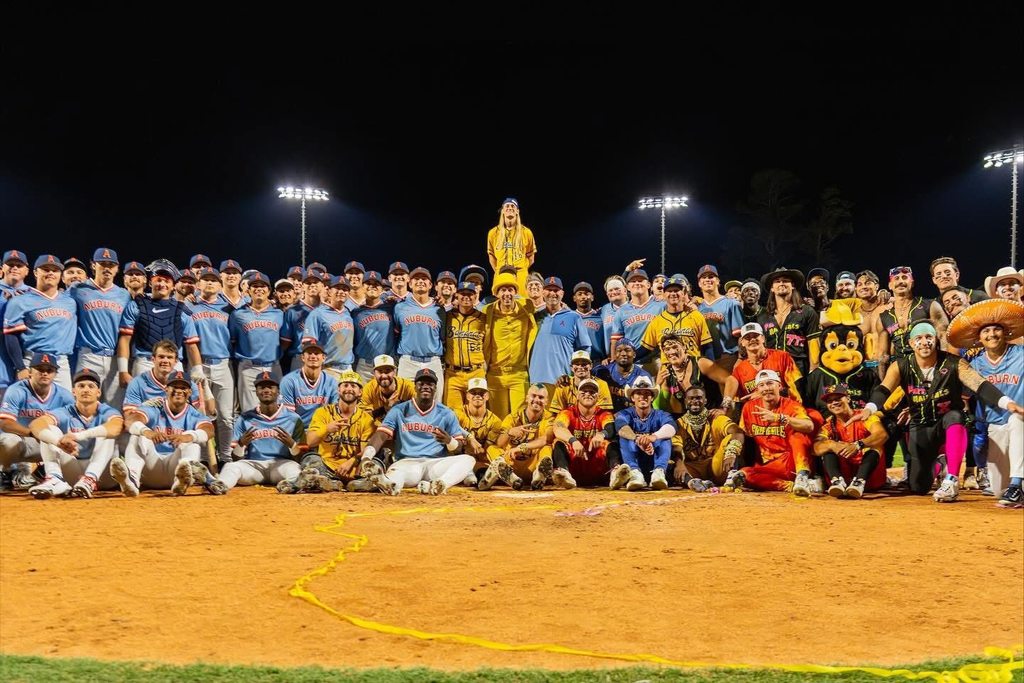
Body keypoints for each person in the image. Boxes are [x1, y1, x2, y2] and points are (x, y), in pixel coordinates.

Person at [854, 322, 1024, 502]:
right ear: (911, 344)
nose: (924, 342)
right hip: (921, 424)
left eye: (929, 337)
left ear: (935, 340)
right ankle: (938, 464)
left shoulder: (954, 362)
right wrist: (870, 407)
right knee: (919, 486)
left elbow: (979, 384)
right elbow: (884, 389)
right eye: (918, 338)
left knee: (956, 416)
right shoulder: (901, 365)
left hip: (948, 422)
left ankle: (951, 480)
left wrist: (1007, 403)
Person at [949, 298, 1024, 507]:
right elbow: (963, 392)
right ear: (978, 338)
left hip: (1019, 423)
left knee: (1018, 418)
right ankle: (1014, 487)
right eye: (986, 331)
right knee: (999, 489)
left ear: (1006, 332)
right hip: (994, 425)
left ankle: (1017, 485)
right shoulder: (975, 364)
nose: (992, 334)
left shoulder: (1021, 354)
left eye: (996, 329)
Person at [358, 368, 472, 496]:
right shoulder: (399, 410)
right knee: (397, 474)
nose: (425, 387)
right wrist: (366, 457)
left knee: (468, 460)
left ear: (435, 388)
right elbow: (381, 434)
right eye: (421, 384)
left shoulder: (447, 413)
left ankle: (440, 484)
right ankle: (389, 485)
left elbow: (460, 448)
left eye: (430, 384)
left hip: (435, 464)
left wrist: (450, 441)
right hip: (407, 463)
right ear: (415, 387)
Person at [26, 368, 123, 498]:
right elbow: (35, 425)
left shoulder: (107, 411)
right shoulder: (66, 411)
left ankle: (90, 479)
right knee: (50, 431)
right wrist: (58, 442)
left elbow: (116, 427)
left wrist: (78, 436)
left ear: (98, 392)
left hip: (105, 475)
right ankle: (54, 479)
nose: (86, 390)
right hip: (75, 473)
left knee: (107, 434)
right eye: (81, 386)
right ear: (73, 392)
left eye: (91, 386)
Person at [116, 371, 216, 496]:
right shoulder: (155, 406)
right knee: (138, 435)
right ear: (166, 389)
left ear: (190, 392)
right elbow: (130, 421)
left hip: (174, 470)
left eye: (183, 388)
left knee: (192, 441)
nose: (179, 391)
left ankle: (181, 481)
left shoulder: (193, 413)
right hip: (151, 468)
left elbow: (209, 430)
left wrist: (188, 436)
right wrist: (147, 432)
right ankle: (132, 481)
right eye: (175, 387)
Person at [279, 370, 376, 493]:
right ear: (338, 390)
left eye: (353, 386)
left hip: (354, 468)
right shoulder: (323, 413)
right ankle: (333, 483)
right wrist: (326, 429)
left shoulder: (366, 419)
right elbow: (309, 442)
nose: (349, 389)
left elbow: (365, 450)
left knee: (373, 460)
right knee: (310, 458)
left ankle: (333, 483)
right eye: (345, 385)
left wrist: (351, 463)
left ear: (360, 392)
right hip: (326, 467)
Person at [210, 371, 304, 493]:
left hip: (281, 465)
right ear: (256, 392)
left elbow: (301, 458)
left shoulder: (293, 418)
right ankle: (221, 485)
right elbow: (235, 459)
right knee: (231, 467)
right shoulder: (245, 418)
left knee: (296, 469)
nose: (266, 390)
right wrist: (241, 445)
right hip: (253, 466)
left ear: (278, 391)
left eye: (270, 387)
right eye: (261, 387)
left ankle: (291, 485)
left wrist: (292, 445)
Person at [729, 369, 816, 494]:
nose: (766, 388)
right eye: (762, 385)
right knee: (743, 475)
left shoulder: (792, 405)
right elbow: (744, 435)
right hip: (769, 465)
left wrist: (779, 418)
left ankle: (802, 477)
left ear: (779, 386)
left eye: (770, 383)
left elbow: (809, 426)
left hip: (793, 461)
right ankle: (791, 486)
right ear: (757, 390)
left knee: (798, 435)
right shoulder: (749, 408)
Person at [116, 260, 203, 384]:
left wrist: (198, 369)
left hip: (174, 364)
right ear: (151, 282)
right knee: (145, 404)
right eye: (159, 280)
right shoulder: (136, 305)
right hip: (145, 362)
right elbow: (125, 339)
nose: (162, 284)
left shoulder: (181, 310)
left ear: (173, 286)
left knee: (175, 403)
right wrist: (123, 370)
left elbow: (191, 345)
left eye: (166, 281)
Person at [0, 353, 75, 489]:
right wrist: (32, 433)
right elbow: (5, 423)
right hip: (21, 441)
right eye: (40, 369)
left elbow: (75, 424)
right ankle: (5, 471)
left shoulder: (64, 396)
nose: (44, 373)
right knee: (8, 441)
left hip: (48, 443)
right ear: (30, 372)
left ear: (55, 374)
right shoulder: (16, 390)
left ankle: (43, 472)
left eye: (49, 370)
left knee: (72, 441)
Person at [4, 254, 77, 389]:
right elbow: (10, 335)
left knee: (64, 407)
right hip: (33, 361)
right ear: (36, 272)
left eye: (54, 270)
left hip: (61, 362)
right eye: (45, 269)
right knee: (29, 408)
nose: (50, 273)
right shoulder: (19, 301)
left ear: (60, 275)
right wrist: (20, 367)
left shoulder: (70, 302)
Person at [68, 247, 130, 405]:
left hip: (115, 359)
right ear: (93, 265)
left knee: (115, 408)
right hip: (88, 355)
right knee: (84, 406)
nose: (107, 268)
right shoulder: (77, 290)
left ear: (117, 268)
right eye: (102, 263)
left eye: (111, 264)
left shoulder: (124, 294)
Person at [189, 266, 234, 467]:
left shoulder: (228, 309)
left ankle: (225, 456)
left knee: (225, 416)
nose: (209, 283)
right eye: (205, 279)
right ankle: (203, 459)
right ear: (198, 284)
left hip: (223, 364)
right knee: (199, 415)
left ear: (219, 284)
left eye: (213, 280)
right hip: (199, 364)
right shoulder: (190, 307)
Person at [813, 384, 889, 498]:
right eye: (830, 401)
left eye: (838, 398)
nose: (834, 403)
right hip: (844, 474)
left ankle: (859, 482)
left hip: (870, 477)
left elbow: (882, 435)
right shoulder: (828, 425)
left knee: (876, 445)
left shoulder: (865, 416)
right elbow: (815, 449)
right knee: (826, 447)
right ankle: (837, 481)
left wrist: (858, 445)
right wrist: (832, 444)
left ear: (848, 399)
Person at [548, 378, 622, 489]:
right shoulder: (568, 413)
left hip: (599, 468)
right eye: (584, 392)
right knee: (558, 442)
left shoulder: (603, 414)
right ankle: (563, 472)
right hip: (575, 465)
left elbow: (610, 427)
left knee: (610, 442)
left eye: (592, 392)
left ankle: (616, 471)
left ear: (597, 397)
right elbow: (558, 428)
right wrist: (573, 441)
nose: (588, 394)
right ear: (577, 395)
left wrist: (601, 434)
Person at [229, 271, 286, 413]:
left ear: (269, 291)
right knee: (250, 412)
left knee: (276, 411)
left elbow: (284, 341)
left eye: (263, 286)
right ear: (248, 291)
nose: (259, 289)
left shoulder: (279, 314)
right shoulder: (238, 315)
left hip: (273, 367)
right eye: (254, 286)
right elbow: (233, 340)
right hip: (248, 368)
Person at [479, 383, 554, 490]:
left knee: (547, 448)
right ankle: (510, 477)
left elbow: (546, 439)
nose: (537, 400)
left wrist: (523, 447)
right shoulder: (513, 417)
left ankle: (539, 477)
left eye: (541, 397)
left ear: (546, 401)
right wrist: (509, 432)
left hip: (533, 465)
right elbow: (499, 443)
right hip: (511, 464)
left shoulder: (549, 418)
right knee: (491, 449)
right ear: (527, 398)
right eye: (533, 396)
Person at [483, 269, 536, 418]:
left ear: (515, 292)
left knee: (520, 419)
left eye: (510, 289)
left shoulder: (526, 308)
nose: (507, 293)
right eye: (503, 290)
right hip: (495, 375)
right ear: (497, 293)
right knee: (498, 420)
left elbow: (545, 305)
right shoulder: (488, 311)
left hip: (518, 374)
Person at [669, 385, 744, 491]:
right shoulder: (679, 424)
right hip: (694, 469)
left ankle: (731, 476)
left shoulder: (715, 418)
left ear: (705, 401)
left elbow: (737, 432)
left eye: (698, 398)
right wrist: (679, 464)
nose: (695, 401)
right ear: (685, 401)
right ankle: (692, 482)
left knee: (731, 438)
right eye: (691, 398)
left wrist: (731, 453)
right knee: (672, 463)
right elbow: (676, 447)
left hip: (717, 467)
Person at [611, 376, 676, 491]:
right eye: (638, 393)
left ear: (652, 398)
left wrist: (653, 437)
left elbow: (672, 427)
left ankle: (659, 473)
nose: (643, 397)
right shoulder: (624, 414)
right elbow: (621, 427)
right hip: (634, 458)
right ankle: (635, 474)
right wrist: (638, 440)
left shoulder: (661, 414)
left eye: (647, 393)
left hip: (654, 459)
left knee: (665, 436)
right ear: (632, 397)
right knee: (624, 436)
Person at [528, 276, 591, 393]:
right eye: (549, 290)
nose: (552, 293)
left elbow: (584, 348)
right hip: (535, 381)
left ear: (562, 293)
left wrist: (576, 376)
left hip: (563, 381)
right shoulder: (534, 317)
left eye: (556, 290)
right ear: (542, 292)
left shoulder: (574, 317)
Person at [878, 266, 948, 366]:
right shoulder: (883, 317)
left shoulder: (929, 305)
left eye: (905, 277)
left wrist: (943, 366)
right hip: (901, 368)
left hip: (930, 363)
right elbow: (883, 356)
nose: (900, 281)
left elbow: (943, 336)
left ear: (912, 283)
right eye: (896, 278)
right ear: (890, 285)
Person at [757, 267, 820, 376]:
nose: (781, 283)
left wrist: (813, 371)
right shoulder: (763, 316)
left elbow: (813, 344)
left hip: (798, 370)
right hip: (770, 371)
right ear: (772, 288)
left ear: (793, 285)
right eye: (777, 281)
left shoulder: (807, 311)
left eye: (785, 280)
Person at [394, 267, 446, 398]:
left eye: (424, 279)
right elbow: (396, 333)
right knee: (404, 403)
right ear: (410, 283)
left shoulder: (439, 309)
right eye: (416, 279)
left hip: (433, 361)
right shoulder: (399, 307)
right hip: (408, 361)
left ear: (430, 285)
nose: (420, 281)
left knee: (436, 404)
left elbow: (443, 337)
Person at [722, 322, 802, 406]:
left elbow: (796, 388)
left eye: (755, 336)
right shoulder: (739, 370)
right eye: (747, 337)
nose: (752, 339)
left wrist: (765, 393)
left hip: (786, 409)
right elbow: (738, 401)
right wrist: (724, 407)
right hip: (757, 415)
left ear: (763, 338)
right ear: (742, 342)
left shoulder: (782, 357)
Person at [640, 274, 712, 367]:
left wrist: (710, 368)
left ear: (683, 293)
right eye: (669, 291)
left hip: (693, 369)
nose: (673, 293)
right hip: (668, 372)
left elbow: (707, 347)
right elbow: (645, 349)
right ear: (664, 295)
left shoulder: (696, 316)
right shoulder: (657, 321)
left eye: (676, 290)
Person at [653, 333, 730, 418]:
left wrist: (724, 408)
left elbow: (731, 380)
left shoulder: (700, 363)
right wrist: (658, 385)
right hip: (690, 421)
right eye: (667, 349)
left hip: (712, 416)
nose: (672, 352)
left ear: (684, 347)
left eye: (675, 347)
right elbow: (659, 408)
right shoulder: (667, 373)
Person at [442, 281, 487, 410]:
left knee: (477, 413)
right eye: (463, 293)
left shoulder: (483, 318)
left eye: (470, 294)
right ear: (457, 295)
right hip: (453, 374)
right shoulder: (448, 316)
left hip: (476, 372)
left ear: (475, 296)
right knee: (453, 415)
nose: (466, 297)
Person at [302, 275, 355, 379]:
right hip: (328, 369)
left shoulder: (348, 313)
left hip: (348, 369)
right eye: (338, 288)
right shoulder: (317, 314)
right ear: (329, 291)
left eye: (345, 289)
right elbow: (308, 345)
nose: (341, 292)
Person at [610, 269, 665, 367]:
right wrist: (615, 362)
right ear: (627, 287)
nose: (637, 283)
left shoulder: (662, 305)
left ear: (648, 285)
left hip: (657, 360)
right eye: (633, 281)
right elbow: (616, 340)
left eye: (640, 280)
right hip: (632, 363)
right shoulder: (621, 311)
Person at [454, 377, 503, 486]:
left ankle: (484, 476)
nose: (477, 395)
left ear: (487, 396)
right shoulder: (458, 414)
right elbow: (448, 427)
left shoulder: (495, 421)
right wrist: (469, 437)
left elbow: (484, 450)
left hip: (480, 460)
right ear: (467, 396)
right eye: (473, 392)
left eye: (481, 393)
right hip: (457, 457)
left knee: (491, 452)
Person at [350, 269, 397, 382]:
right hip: (364, 366)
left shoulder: (392, 308)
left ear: (381, 289)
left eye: (376, 284)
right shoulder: (355, 313)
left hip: (387, 364)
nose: (372, 286)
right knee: (363, 399)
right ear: (362, 287)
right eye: (368, 284)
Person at [279, 341, 339, 427]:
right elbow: (288, 417)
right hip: (298, 429)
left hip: (323, 428)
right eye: (309, 353)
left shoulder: (331, 382)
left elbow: (335, 412)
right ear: (302, 357)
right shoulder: (289, 381)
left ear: (324, 358)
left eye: (316, 353)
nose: (313, 356)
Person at [695, 264, 743, 370]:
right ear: (699, 283)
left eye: (711, 276)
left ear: (718, 281)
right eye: (704, 277)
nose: (707, 280)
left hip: (727, 358)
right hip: (704, 360)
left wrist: (740, 358)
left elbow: (740, 336)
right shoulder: (696, 308)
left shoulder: (732, 304)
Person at [486, 197, 537, 295]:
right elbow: (491, 256)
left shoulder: (526, 232)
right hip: (501, 273)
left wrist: (522, 269)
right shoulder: (493, 233)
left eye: (513, 206)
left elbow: (531, 257)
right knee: (499, 305)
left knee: (522, 305)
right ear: (503, 211)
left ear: (517, 211)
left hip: (520, 274)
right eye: (507, 206)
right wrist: (498, 270)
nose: (510, 208)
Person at [547, 350, 614, 416]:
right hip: (568, 424)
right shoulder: (564, 384)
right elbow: (554, 415)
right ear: (571, 368)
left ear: (591, 366)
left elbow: (604, 414)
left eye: (584, 364)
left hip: (594, 424)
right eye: (577, 364)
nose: (580, 367)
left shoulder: (601, 385)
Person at [593, 339, 652, 411]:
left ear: (634, 354)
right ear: (615, 354)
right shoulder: (604, 371)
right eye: (619, 350)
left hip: (632, 417)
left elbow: (644, 405)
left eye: (627, 350)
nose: (623, 353)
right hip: (607, 415)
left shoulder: (642, 376)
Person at [359, 354, 416, 425]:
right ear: (374, 373)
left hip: (404, 425)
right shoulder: (369, 388)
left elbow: (420, 410)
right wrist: (384, 409)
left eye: (387, 371)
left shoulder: (408, 386)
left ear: (395, 372)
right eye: (380, 371)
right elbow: (361, 416)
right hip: (379, 427)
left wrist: (400, 407)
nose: (384, 375)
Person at [573, 282, 605, 362]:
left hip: (597, 361)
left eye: (586, 294)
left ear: (592, 297)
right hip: (575, 361)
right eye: (579, 294)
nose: (583, 297)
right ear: (574, 298)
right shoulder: (570, 318)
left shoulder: (601, 316)